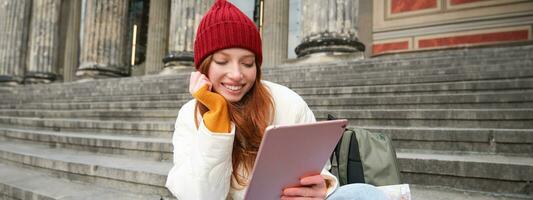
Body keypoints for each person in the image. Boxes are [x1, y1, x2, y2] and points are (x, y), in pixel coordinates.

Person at [165, 0, 389, 199]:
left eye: (247, 63)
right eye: (222, 61)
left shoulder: (287, 101)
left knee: (364, 193)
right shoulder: (189, 115)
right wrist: (216, 119)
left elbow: (318, 167)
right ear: (204, 67)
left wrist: (322, 187)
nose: (236, 74)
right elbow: (202, 196)